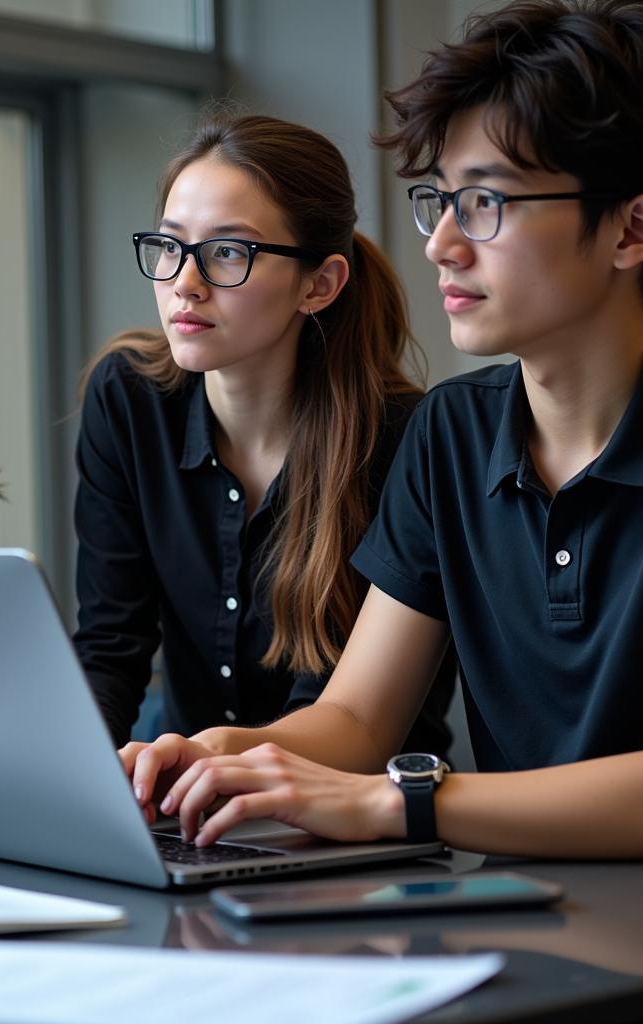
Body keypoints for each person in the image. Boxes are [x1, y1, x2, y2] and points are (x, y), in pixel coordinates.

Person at [125, 0, 643, 859]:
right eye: (441, 201)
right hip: (510, 917)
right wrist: (222, 755)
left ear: (633, 230)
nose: (443, 244)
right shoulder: (454, 431)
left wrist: (398, 804)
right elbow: (357, 716)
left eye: (487, 202)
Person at [74, 115, 456, 782]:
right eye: (170, 246)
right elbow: (110, 648)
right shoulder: (129, 399)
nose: (184, 283)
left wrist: (204, 757)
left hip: (356, 821)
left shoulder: (401, 438)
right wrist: (39, 768)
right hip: (190, 801)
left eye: (227, 252)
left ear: (320, 284)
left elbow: (349, 713)